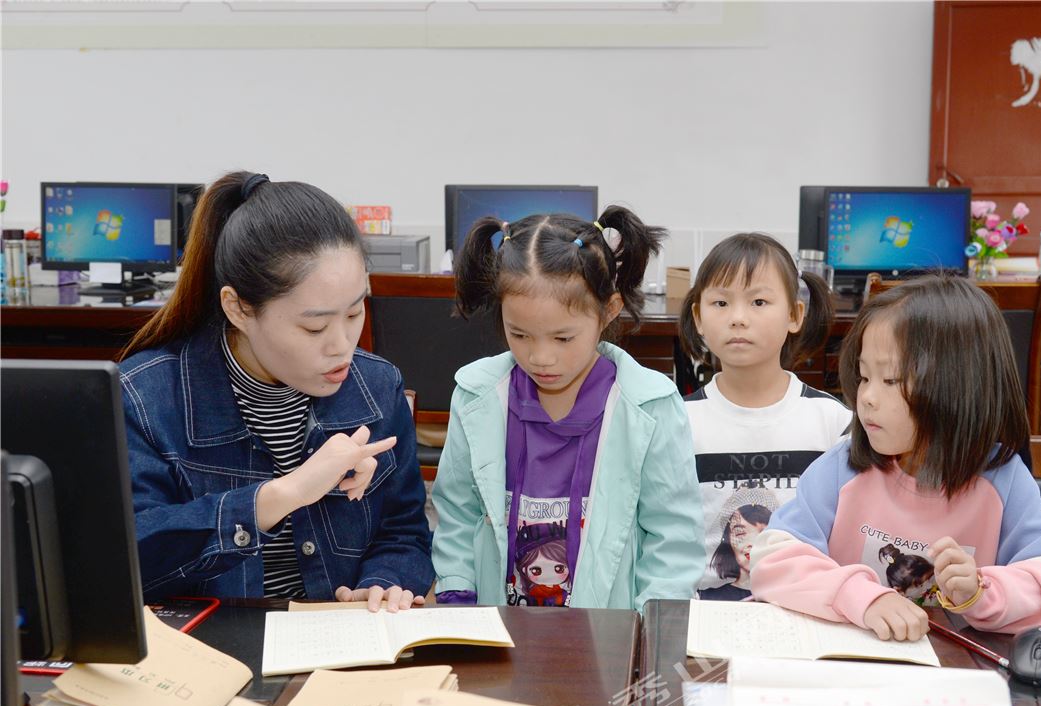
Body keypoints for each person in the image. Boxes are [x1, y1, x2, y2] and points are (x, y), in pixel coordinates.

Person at [119, 170, 433, 611]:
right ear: (238, 309)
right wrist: (283, 495)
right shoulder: (145, 397)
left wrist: (385, 582)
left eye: (354, 312)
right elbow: (127, 561)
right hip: (210, 644)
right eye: (314, 327)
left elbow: (403, 532)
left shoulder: (376, 386)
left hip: (338, 636)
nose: (342, 345)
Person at [750, 273, 1041, 640]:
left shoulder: (1003, 480)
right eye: (864, 377)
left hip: (953, 670)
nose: (866, 398)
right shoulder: (842, 467)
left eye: (890, 380)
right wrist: (860, 597)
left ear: (958, 385)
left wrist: (982, 592)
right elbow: (772, 560)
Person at [431, 206, 704, 611]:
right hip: (496, 630)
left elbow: (673, 540)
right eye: (519, 334)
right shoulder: (476, 396)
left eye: (562, 338)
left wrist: (651, 629)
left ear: (608, 311)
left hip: (609, 632)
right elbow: (457, 512)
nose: (540, 357)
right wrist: (457, 595)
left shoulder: (650, 407)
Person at [678, 233, 851, 600]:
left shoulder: (834, 422)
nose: (738, 318)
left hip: (806, 607)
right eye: (721, 302)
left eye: (759, 301)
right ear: (698, 317)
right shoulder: (677, 421)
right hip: (706, 614)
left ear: (795, 315)